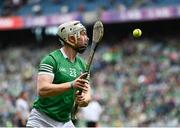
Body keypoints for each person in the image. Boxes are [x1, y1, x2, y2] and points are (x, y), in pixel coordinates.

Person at [26, 21, 91, 127]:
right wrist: (71, 85)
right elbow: (42, 90)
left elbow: (87, 94)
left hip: (65, 121)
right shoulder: (51, 60)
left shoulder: (83, 65)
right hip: (42, 120)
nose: (87, 38)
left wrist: (84, 100)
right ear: (70, 38)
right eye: (82, 34)